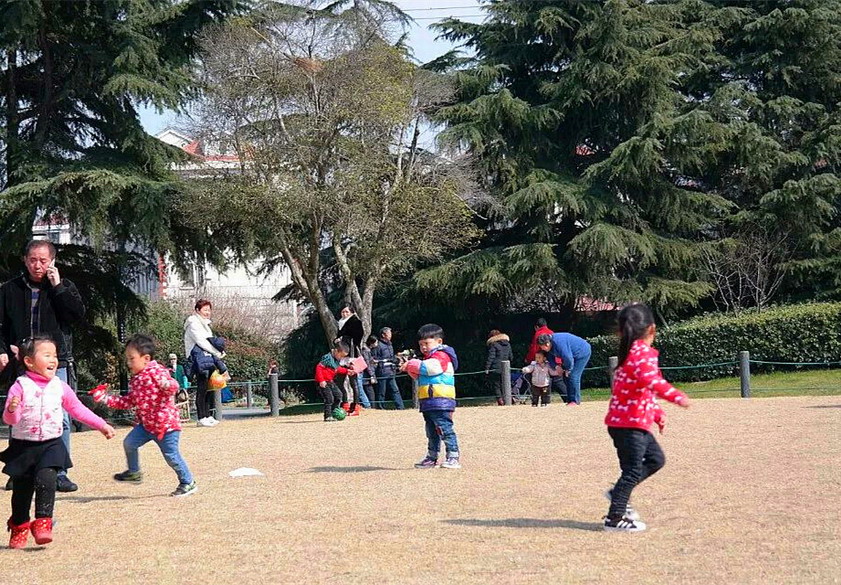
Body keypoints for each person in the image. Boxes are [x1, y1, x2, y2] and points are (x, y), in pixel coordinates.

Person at [1, 336, 115, 548]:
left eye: (54, 355)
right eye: (47, 355)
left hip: (51, 444)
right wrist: (12, 409)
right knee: (22, 493)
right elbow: (10, 420)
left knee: (48, 480)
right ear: (29, 361)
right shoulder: (20, 386)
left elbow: (77, 409)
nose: (53, 359)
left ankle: (43, 523)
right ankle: (19, 525)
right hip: (24, 446)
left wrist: (101, 425)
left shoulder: (60, 386)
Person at [0, 239, 86, 493]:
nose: (38, 265)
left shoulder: (63, 287)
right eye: (33, 260)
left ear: (52, 262)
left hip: (54, 363)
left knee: (62, 417)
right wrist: (4, 349)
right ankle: (21, 472)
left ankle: (59, 472)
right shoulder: (9, 289)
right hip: (22, 363)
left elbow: (76, 316)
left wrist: (57, 287)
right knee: (21, 417)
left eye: (43, 260)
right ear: (25, 261)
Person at [603, 303, 689, 532]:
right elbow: (653, 382)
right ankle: (614, 518)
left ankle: (618, 495)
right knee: (632, 471)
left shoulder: (631, 355)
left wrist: (657, 413)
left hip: (627, 424)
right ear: (652, 329)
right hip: (629, 426)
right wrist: (676, 396)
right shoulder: (641, 355)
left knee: (655, 460)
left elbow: (640, 390)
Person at [90, 334, 198, 498]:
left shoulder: (157, 371)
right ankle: (134, 472)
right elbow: (128, 402)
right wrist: (105, 398)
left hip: (166, 427)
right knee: (129, 443)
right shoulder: (137, 380)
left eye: (131, 358)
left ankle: (187, 482)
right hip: (146, 426)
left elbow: (173, 387)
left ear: (146, 358)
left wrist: (167, 384)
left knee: (172, 456)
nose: (128, 363)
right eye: (128, 359)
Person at [401, 324, 461, 469]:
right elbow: (421, 374)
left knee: (445, 428)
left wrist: (412, 363)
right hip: (429, 402)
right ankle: (432, 456)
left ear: (439, 341)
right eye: (421, 344)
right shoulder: (429, 358)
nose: (423, 347)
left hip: (441, 401)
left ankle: (453, 456)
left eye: (427, 343)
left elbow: (430, 368)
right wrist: (410, 368)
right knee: (431, 431)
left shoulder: (442, 356)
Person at [183, 300, 223, 426]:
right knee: (202, 387)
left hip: (207, 358)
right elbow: (202, 342)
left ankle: (207, 415)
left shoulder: (205, 324)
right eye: (205, 310)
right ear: (197, 310)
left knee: (209, 388)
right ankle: (201, 417)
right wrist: (217, 352)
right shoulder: (193, 323)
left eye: (209, 310)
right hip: (198, 359)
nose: (208, 312)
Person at [537, 331, 592, 405]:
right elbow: (550, 357)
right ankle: (569, 400)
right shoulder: (550, 345)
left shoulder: (559, 343)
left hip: (582, 352)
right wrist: (556, 367)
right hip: (570, 356)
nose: (542, 349)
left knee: (573, 375)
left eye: (542, 347)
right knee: (565, 376)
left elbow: (568, 358)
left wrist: (568, 369)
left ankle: (575, 401)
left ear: (547, 344)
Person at [190, 336, 230, 426]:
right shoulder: (198, 347)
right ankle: (201, 417)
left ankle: (207, 416)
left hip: (210, 372)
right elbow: (193, 360)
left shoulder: (209, 347)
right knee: (202, 395)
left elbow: (216, 359)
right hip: (202, 372)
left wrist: (223, 370)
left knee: (208, 394)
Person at [336, 306, 371, 411]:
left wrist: (347, 340)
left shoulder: (356, 322)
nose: (344, 314)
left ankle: (355, 405)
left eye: (346, 312)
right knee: (339, 381)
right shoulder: (341, 323)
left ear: (351, 313)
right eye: (342, 311)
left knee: (353, 382)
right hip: (342, 353)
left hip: (351, 354)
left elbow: (358, 337)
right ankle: (345, 402)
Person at [315, 339, 351, 422]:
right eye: (341, 356)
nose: (342, 358)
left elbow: (337, 369)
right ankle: (327, 416)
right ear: (336, 351)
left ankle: (335, 412)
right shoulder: (327, 358)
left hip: (330, 381)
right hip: (323, 382)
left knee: (339, 395)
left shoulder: (336, 360)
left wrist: (347, 371)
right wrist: (321, 380)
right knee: (329, 398)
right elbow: (319, 367)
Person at [372, 327, 404, 410]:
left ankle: (400, 407)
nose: (390, 335)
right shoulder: (378, 345)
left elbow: (392, 357)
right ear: (383, 335)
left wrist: (396, 361)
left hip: (391, 370)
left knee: (395, 390)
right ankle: (380, 407)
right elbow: (374, 358)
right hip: (382, 370)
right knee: (381, 391)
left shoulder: (390, 344)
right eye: (389, 333)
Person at [485, 329, 513, 405]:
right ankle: (508, 399)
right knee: (505, 384)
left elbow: (491, 357)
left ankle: (500, 401)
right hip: (506, 368)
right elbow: (511, 357)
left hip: (496, 368)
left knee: (496, 385)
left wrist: (487, 368)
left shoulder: (493, 344)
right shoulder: (508, 344)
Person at [361, 336, 378, 407]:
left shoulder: (369, 350)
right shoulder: (365, 351)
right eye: (376, 342)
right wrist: (371, 375)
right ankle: (371, 406)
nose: (377, 344)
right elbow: (367, 363)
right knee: (369, 391)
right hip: (366, 375)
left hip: (368, 374)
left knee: (370, 391)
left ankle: (372, 406)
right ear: (372, 343)